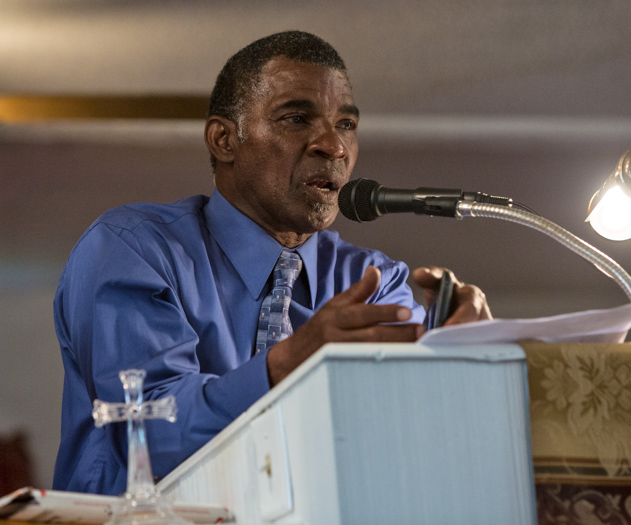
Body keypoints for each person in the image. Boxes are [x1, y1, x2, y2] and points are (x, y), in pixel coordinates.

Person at [53, 30, 491, 495]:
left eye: (346, 124)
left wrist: (469, 362)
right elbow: (149, 436)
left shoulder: (374, 284)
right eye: (297, 118)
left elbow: (417, 441)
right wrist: (287, 364)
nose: (334, 146)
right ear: (224, 139)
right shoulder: (134, 249)